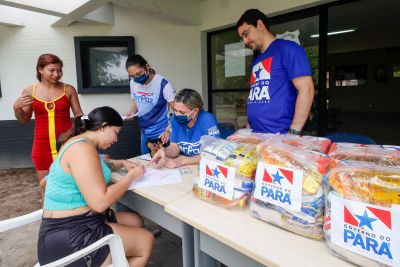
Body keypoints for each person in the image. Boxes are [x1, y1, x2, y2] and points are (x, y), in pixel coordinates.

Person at [37, 106, 154, 267]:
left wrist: (120, 163)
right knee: (146, 240)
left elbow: (95, 164)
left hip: (69, 226)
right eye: (116, 132)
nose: (116, 139)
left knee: (134, 220)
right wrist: (131, 177)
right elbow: (99, 203)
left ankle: (118, 259)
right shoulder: (82, 149)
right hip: (71, 238)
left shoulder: (78, 142)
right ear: (104, 126)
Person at [236, 9, 314, 135]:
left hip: (279, 136)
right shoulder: (257, 61)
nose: (245, 41)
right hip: (255, 136)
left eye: (246, 34)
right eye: (242, 38)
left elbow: (307, 89)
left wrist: (292, 134)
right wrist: (247, 131)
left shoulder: (288, 49)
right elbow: (255, 97)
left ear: (260, 25)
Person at [13, 54, 83, 187]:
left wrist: (76, 134)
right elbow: (24, 120)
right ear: (40, 69)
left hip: (66, 145)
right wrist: (16, 108)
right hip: (41, 147)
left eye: (59, 70)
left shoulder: (68, 89)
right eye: (52, 70)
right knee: (47, 187)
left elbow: (79, 115)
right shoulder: (30, 91)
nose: (57, 74)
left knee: (72, 185)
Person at [151, 89, 220, 168]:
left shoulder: (207, 119)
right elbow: (175, 147)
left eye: (182, 112)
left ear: (195, 111)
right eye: (175, 110)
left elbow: (211, 153)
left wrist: (182, 161)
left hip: (203, 166)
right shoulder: (174, 119)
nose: (177, 115)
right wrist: (164, 151)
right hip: (186, 166)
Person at [125, 54, 175, 154]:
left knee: (162, 163)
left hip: (161, 133)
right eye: (132, 76)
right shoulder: (133, 83)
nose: (136, 78)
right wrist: (131, 112)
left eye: (139, 73)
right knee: (146, 162)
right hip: (144, 132)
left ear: (147, 67)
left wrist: (169, 130)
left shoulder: (163, 84)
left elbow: (177, 110)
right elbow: (135, 100)